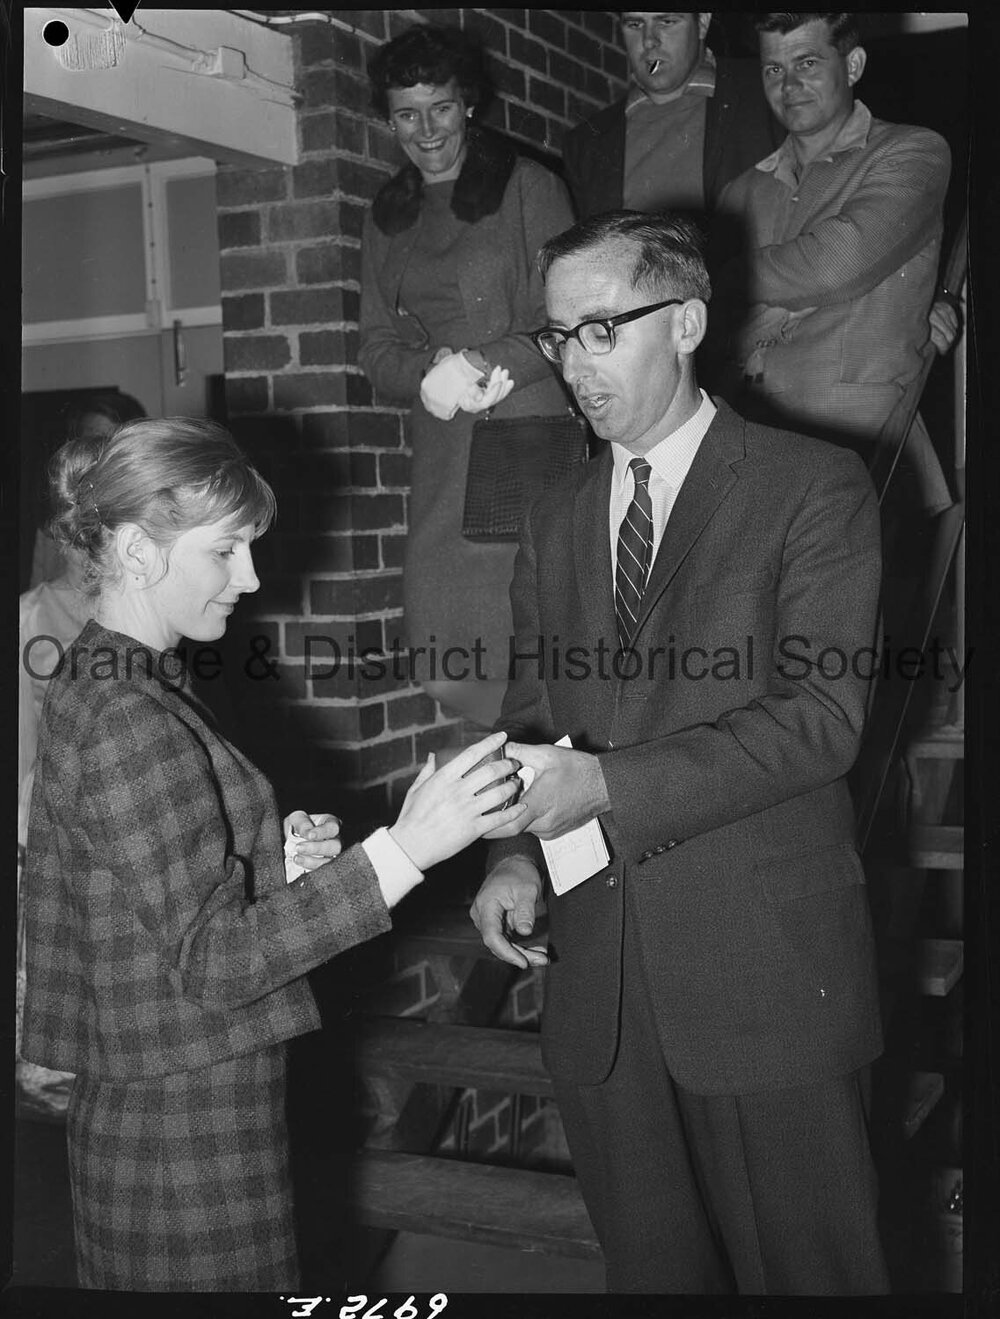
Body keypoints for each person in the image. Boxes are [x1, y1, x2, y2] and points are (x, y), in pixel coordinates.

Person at [470, 211, 889, 1294]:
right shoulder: (554, 513)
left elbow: (820, 717)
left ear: (689, 320)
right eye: (557, 336)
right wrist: (511, 856)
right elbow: (531, 707)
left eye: (600, 329)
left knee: (815, 1275)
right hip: (600, 983)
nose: (571, 363)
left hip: (763, 973)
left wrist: (605, 784)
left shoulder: (813, 484)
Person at [19, 417, 526, 1292]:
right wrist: (405, 849)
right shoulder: (132, 716)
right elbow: (214, 961)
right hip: (187, 1143)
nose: (249, 579)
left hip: (159, 1118)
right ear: (139, 551)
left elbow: (147, 907)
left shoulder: (106, 677)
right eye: (227, 552)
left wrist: (269, 870)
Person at [358, 23, 575, 729]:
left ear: (470, 104)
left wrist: (484, 360)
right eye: (405, 113)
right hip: (446, 448)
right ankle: (505, 812)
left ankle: (551, 816)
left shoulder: (528, 188)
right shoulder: (387, 217)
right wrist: (430, 372)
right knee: (446, 644)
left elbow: (564, 324)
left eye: (441, 107)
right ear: (388, 119)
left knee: (530, 646)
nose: (426, 129)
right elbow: (376, 351)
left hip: (526, 433)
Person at [713, 12, 955, 513]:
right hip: (745, 451)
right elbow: (710, 321)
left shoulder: (912, 152)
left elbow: (834, 264)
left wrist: (729, 281)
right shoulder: (740, 190)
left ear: (853, 65)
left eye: (807, 62)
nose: (790, 84)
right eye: (773, 69)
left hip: (863, 451)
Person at [562, 12, 783, 220]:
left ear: (703, 23)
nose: (649, 41)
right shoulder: (586, 144)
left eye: (666, 22)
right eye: (634, 24)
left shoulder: (769, 91)